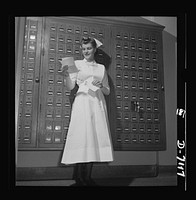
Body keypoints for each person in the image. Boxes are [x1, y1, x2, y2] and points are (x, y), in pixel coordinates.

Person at [60, 37, 114, 186]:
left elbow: (107, 91)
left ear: (94, 49)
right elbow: (71, 87)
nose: (86, 51)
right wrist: (66, 77)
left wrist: (101, 86)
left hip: (97, 102)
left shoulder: (101, 68)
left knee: (94, 137)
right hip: (82, 102)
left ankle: (87, 177)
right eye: (83, 49)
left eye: (89, 48)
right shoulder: (76, 64)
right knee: (82, 136)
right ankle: (79, 177)